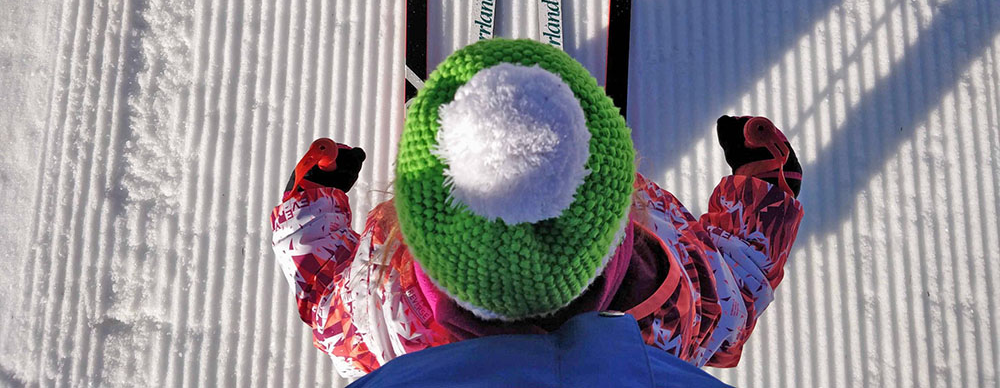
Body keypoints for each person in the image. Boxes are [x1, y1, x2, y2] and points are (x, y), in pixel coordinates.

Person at [271, 39, 803, 383]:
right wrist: (766, 194)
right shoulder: (669, 310)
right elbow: (732, 295)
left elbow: (330, 316)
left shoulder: (383, 306)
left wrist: (310, 209)